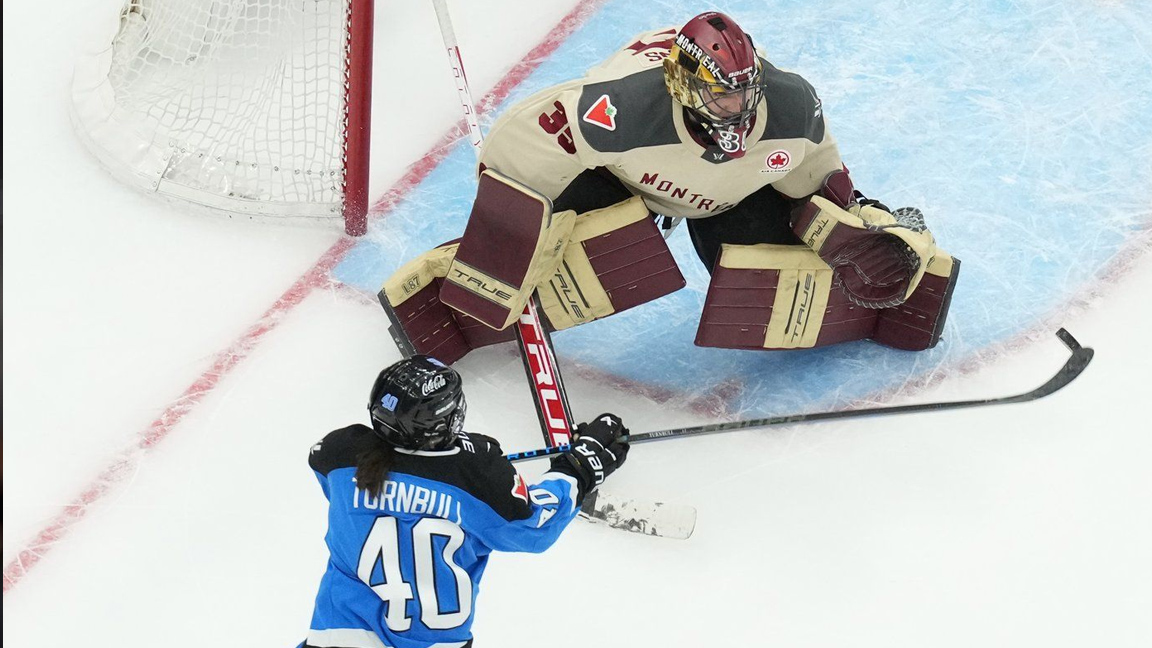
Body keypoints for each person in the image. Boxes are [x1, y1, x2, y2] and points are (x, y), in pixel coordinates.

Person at [381, 10, 959, 363]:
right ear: (684, 85)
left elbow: (818, 181)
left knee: (761, 269)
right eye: (721, 96)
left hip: (730, 193)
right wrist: (505, 242)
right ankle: (452, 293)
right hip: (624, 180)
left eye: (743, 93)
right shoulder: (618, 109)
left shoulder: (790, 106)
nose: (736, 110)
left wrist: (855, 221)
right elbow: (516, 149)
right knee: (585, 251)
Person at [300, 355, 630, 648]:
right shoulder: (478, 475)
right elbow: (534, 527)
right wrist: (578, 469)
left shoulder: (338, 453)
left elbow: (334, 478)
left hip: (337, 638)